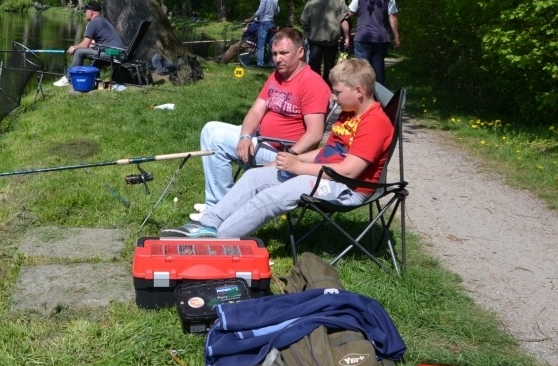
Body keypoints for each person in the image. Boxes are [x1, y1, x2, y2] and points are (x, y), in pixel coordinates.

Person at [163, 58, 393, 238]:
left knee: (277, 194)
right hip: (327, 176)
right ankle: (207, 223)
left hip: (347, 189)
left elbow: (348, 172)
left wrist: (298, 167)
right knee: (256, 176)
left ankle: (218, 238)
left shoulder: (374, 123)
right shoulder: (350, 113)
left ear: (359, 92)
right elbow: (327, 152)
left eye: (338, 92)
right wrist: (292, 160)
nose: (333, 97)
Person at [191, 28, 332, 221]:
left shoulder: (312, 83)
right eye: (274, 54)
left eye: (284, 53)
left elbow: (315, 134)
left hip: (283, 153)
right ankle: (220, 204)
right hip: (262, 142)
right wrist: (245, 136)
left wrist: (286, 158)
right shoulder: (276, 77)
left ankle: (219, 209)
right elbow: (256, 111)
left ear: (300, 53)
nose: (278, 59)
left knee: (217, 140)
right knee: (210, 128)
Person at [53, 1, 125, 87]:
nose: (84, 13)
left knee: (79, 52)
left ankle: (68, 78)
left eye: (86, 11)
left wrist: (74, 48)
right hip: (118, 52)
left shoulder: (93, 23)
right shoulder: (102, 20)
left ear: (91, 12)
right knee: (92, 52)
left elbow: (84, 45)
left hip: (112, 54)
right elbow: (93, 44)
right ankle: (93, 79)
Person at [347, 0, 400, 85]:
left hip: (362, 37)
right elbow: (393, 16)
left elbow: (350, 12)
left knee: (361, 69)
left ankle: (361, 94)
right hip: (380, 38)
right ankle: (379, 97)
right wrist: (396, 37)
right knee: (378, 67)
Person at [300, 0, 351, 87]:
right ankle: (327, 88)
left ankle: (314, 87)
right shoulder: (339, 0)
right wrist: (347, 37)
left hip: (315, 39)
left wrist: (307, 30)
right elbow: (344, 21)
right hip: (331, 41)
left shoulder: (313, 0)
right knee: (330, 67)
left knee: (314, 66)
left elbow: (304, 19)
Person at [244, 0, 280, 67]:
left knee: (261, 44)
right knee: (271, 44)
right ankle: (272, 63)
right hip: (272, 22)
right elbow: (277, 11)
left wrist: (250, 19)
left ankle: (260, 63)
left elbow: (260, 10)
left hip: (264, 22)